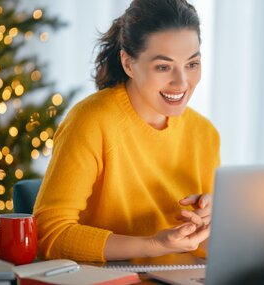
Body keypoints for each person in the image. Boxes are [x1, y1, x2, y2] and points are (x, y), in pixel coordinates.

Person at [33, 0, 220, 262]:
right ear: (128, 64)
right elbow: (50, 234)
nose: (182, 82)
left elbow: (205, 249)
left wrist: (213, 222)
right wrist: (152, 245)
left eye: (191, 64)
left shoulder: (204, 133)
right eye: (163, 67)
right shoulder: (91, 121)